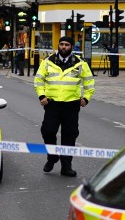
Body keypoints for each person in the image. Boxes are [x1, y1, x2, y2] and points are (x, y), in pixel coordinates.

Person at [35, 35, 95, 177]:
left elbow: (89, 83)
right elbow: (39, 80)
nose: (63, 47)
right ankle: (52, 156)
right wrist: (42, 96)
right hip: (52, 104)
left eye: (67, 44)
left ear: (72, 47)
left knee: (69, 135)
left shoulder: (80, 63)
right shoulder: (48, 62)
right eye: (61, 44)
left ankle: (66, 167)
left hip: (71, 105)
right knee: (48, 131)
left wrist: (86, 98)